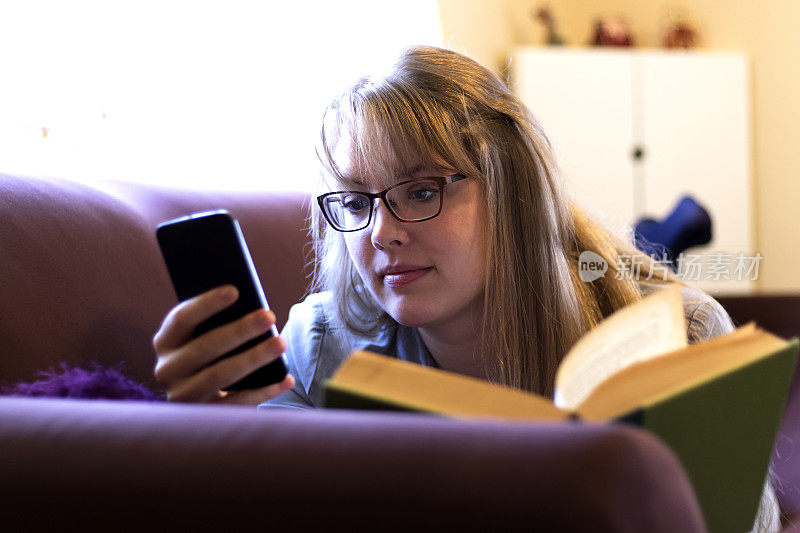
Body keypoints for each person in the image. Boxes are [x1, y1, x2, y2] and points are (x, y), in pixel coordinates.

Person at [152, 46, 778, 531]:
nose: (382, 234)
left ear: (513, 193)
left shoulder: (680, 338)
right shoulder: (320, 345)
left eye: (421, 191)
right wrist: (206, 438)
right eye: (356, 200)